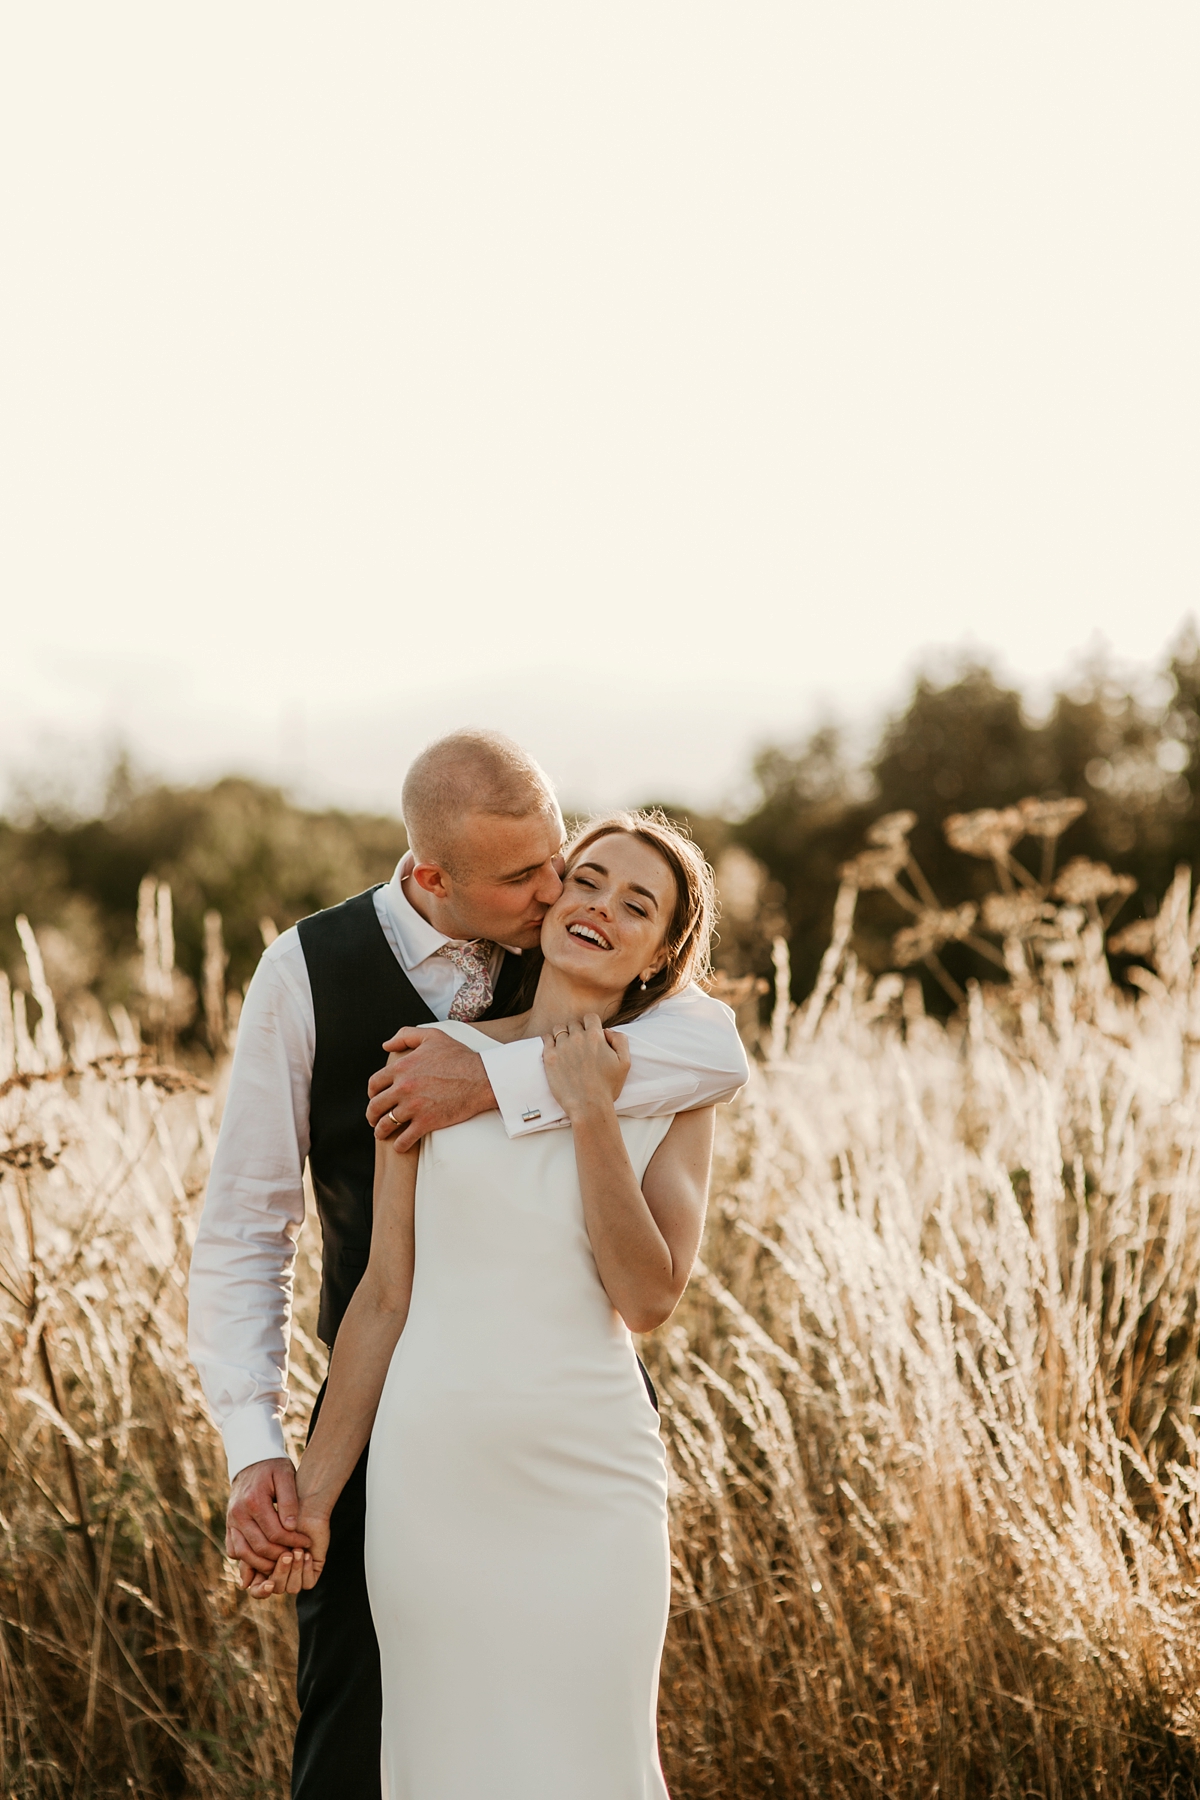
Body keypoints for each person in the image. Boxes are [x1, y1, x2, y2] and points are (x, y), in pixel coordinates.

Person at [187, 730, 749, 1800]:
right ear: (434, 876)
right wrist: (271, 1462)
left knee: (595, 1760)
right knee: (375, 1749)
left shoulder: (617, 995)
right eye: (546, 877)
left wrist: (518, 1084)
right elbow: (259, 1233)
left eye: (566, 864)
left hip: (587, 1450)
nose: (558, 898)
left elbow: (717, 1058)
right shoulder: (315, 978)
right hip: (411, 1440)